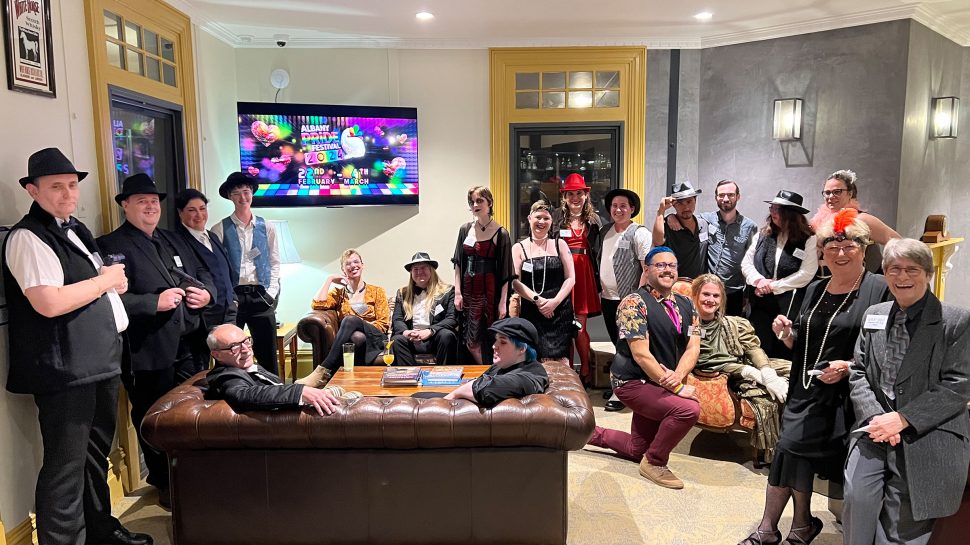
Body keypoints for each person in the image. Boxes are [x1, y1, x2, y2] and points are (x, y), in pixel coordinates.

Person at [3, 148, 153, 545]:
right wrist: (104, 282)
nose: (68, 193)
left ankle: (101, 532)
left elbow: (89, 284)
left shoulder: (75, 229)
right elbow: (48, 301)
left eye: (72, 185)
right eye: (56, 186)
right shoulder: (28, 237)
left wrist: (108, 281)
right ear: (33, 190)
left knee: (93, 459)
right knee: (65, 467)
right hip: (65, 369)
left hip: (98, 361)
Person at [738, 209, 890, 545]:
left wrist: (848, 367)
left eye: (848, 246)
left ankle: (773, 528)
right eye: (831, 247)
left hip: (845, 397)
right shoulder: (814, 288)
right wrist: (787, 335)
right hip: (804, 389)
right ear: (821, 251)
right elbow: (804, 344)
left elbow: (887, 352)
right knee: (791, 452)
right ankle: (798, 526)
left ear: (864, 249)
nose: (839, 253)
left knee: (790, 449)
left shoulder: (879, 290)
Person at [98, 173, 214, 508]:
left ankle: (189, 477)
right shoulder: (110, 246)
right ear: (125, 205)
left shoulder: (173, 240)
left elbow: (204, 273)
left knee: (192, 411)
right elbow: (106, 298)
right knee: (154, 417)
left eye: (154, 201)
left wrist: (206, 294)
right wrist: (153, 302)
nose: (150, 206)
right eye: (141, 201)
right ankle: (163, 481)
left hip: (188, 346)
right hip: (146, 350)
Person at [844, 238, 970, 545]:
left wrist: (903, 419)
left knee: (904, 525)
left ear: (927, 274)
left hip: (927, 433)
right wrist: (879, 420)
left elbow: (959, 384)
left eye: (912, 269)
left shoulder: (955, 321)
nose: (902, 277)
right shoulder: (875, 313)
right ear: (885, 273)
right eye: (894, 269)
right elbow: (858, 370)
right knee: (857, 501)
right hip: (874, 430)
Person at [586, 247, 702, 489]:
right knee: (688, 410)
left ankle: (585, 433)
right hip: (632, 382)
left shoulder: (688, 305)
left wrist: (677, 377)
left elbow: (693, 348)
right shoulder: (633, 304)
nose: (667, 270)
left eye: (672, 265)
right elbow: (640, 354)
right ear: (646, 269)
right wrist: (677, 387)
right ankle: (655, 462)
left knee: (636, 448)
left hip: (659, 381)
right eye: (660, 265)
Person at [691, 274, 790, 455]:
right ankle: (773, 453)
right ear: (695, 296)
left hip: (747, 364)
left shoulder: (734, 324)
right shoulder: (688, 328)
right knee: (765, 401)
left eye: (716, 296)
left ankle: (795, 439)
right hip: (727, 377)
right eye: (706, 294)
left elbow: (753, 348)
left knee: (794, 371)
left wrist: (767, 372)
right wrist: (753, 374)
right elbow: (707, 362)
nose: (710, 300)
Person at [210, 172, 281, 376]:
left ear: (252, 194)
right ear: (230, 197)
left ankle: (274, 393)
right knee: (229, 350)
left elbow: (275, 261)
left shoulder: (267, 227)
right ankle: (228, 391)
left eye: (246, 192)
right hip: (234, 297)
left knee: (267, 352)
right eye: (237, 193)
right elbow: (217, 268)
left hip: (261, 295)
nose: (242, 198)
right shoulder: (219, 229)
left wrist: (271, 292)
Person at [741, 190, 818, 359]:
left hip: (789, 305)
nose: (773, 213)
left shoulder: (808, 238)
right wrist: (759, 280)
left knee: (784, 348)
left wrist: (773, 286)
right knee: (760, 349)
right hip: (759, 304)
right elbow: (746, 263)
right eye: (772, 208)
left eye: (778, 209)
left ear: (792, 214)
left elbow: (807, 273)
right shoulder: (763, 234)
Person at [204, 324, 344, 415]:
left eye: (246, 341)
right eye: (234, 347)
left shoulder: (242, 365)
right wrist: (300, 392)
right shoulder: (225, 377)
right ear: (216, 354)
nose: (246, 350)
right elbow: (242, 394)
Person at [298, 249, 390, 387]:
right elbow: (318, 304)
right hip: (355, 341)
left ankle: (324, 370)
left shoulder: (377, 291)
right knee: (357, 337)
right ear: (343, 270)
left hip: (376, 338)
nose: (353, 266)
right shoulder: (339, 294)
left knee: (350, 320)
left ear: (362, 265)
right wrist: (329, 280)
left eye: (356, 262)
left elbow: (383, 324)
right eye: (348, 264)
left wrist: (359, 323)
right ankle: (355, 384)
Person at [595, 187, 651, 411]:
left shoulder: (639, 232)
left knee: (627, 348)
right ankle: (622, 386)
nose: (618, 210)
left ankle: (623, 393)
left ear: (632, 209)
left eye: (623, 206)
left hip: (629, 301)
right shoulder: (604, 231)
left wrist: (637, 299)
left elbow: (646, 267)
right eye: (614, 206)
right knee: (617, 346)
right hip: (608, 299)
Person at [452, 186, 514, 365]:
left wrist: (503, 302)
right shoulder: (465, 229)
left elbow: (506, 272)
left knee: (489, 337)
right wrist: (457, 292)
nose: (475, 205)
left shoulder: (501, 233)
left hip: (489, 293)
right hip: (468, 290)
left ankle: (489, 373)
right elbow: (457, 263)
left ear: (490, 203)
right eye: (472, 202)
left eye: (479, 201)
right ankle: (484, 372)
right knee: (470, 341)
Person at [174, 188, 237, 363]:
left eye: (202, 208)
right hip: (202, 316)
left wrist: (234, 300)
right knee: (201, 366)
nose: (199, 214)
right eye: (191, 210)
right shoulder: (176, 241)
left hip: (228, 311)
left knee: (230, 363)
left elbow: (226, 270)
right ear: (180, 213)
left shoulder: (212, 236)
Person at [512, 200, 576, 365]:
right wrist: (538, 301)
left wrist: (554, 302)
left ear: (551, 221)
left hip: (560, 311)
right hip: (533, 310)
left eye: (546, 218)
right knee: (539, 359)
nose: (541, 222)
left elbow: (571, 278)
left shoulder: (560, 244)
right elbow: (515, 282)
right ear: (529, 218)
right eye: (538, 217)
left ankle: (566, 390)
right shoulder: (519, 248)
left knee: (562, 359)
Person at [444, 317, 549, 408]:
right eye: (496, 340)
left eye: (502, 342)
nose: (494, 346)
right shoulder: (506, 364)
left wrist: (451, 396)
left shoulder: (529, 376)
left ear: (522, 348)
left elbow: (483, 389)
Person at [557, 173, 602, 384]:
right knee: (564, 326)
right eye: (570, 194)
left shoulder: (594, 220)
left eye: (579, 193)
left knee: (580, 327)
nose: (575, 198)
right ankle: (567, 374)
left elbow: (600, 251)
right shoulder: (557, 218)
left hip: (584, 276)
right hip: (563, 275)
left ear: (586, 195)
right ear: (564, 197)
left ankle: (584, 369)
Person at [810, 169, 900, 273]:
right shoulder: (819, 221)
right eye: (827, 192)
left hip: (861, 283)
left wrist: (892, 271)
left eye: (837, 192)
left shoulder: (861, 219)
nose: (830, 196)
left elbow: (899, 243)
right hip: (829, 282)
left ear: (850, 193)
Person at [698, 180, 758, 316]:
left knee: (730, 332)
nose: (725, 199)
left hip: (734, 292)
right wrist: (671, 217)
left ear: (738, 197)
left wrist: (748, 295)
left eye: (730, 195)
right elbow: (685, 217)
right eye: (721, 195)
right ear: (716, 198)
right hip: (707, 290)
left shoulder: (750, 226)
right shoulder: (705, 219)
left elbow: (751, 262)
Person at [390, 252, 459, 366]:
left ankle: (443, 376)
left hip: (435, 337)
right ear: (411, 273)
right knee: (397, 340)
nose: (419, 272)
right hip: (411, 339)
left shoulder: (448, 291)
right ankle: (409, 377)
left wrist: (430, 331)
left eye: (423, 268)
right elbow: (397, 319)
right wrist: (407, 332)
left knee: (446, 335)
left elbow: (452, 319)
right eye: (415, 269)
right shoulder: (402, 293)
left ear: (431, 270)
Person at [653, 181, 709, 280]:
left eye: (689, 201)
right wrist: (661, 211)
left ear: (695, 201)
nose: (686, 207)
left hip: (699, 284)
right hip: (676, 285)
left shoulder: (703, 224)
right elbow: (657, 241)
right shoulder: (667, 225)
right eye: (680, 203)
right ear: (674, 205)